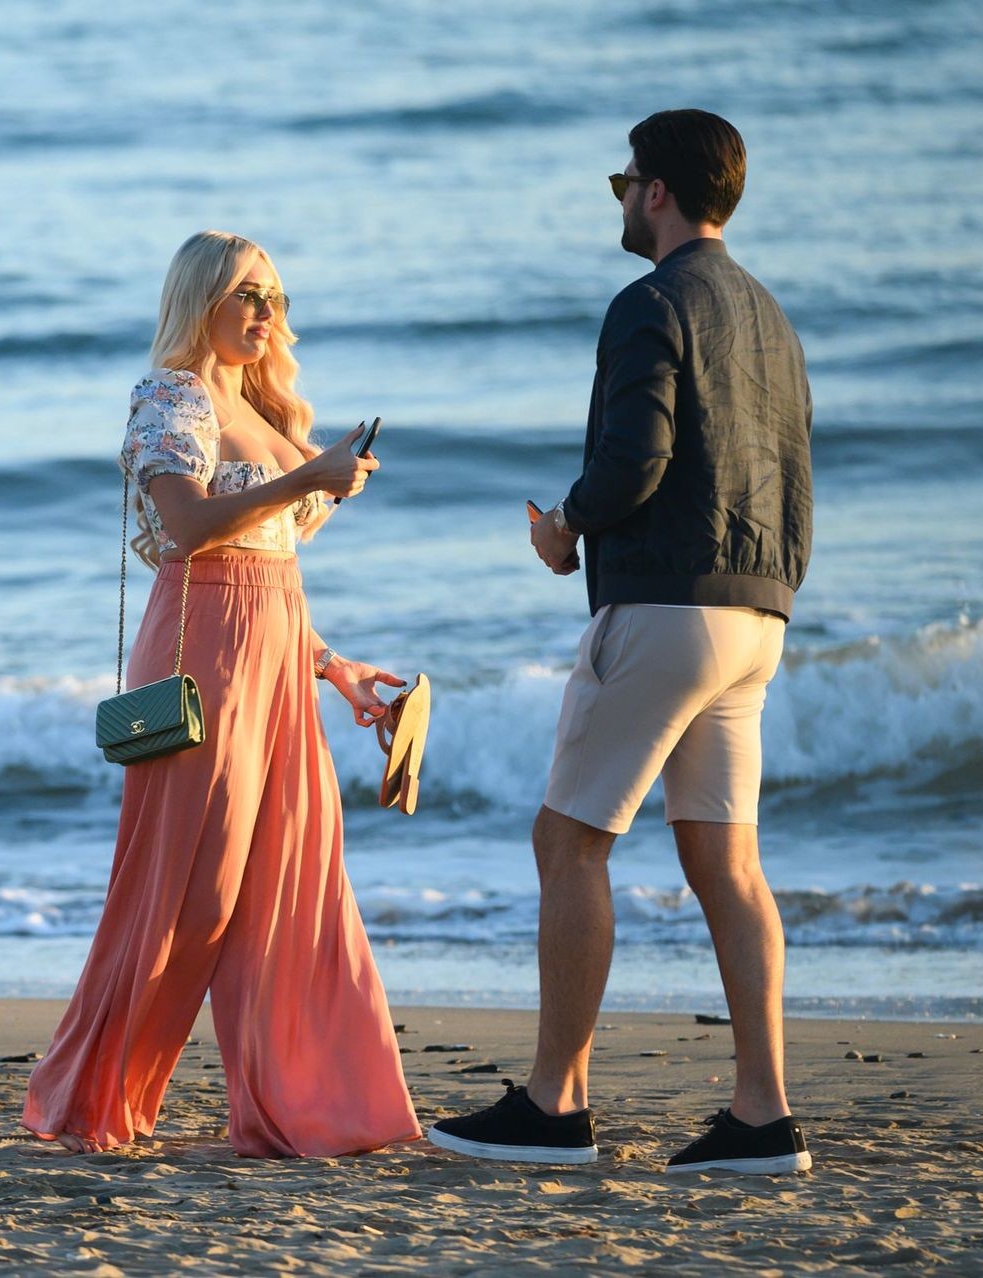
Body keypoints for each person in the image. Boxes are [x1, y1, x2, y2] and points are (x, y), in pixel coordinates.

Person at [426, 110, 815, 1174]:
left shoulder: (650, 303)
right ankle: (762, 1115)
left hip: (662, 608)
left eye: (624, 183)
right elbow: (792, 474)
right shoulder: (773, 317)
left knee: (570, 843)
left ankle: (555, 1106)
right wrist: (774, 590)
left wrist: (566, 526)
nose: (622, 202)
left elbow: (636, 457)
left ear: (658, 191)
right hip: (757, 612)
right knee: (728, 862)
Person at [20, 230, 422, 1158]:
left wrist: (334, 666)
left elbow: (268, 568)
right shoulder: (171, 396)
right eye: (246, 293)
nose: (265, 313)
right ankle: (91, 1097)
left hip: (277, 660)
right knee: (190, 894)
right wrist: (308, 476)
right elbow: (189, 529)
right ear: (200, 299)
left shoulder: (265, 410)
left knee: (293, 883)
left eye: (275, 297)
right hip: (201, 658)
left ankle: (319, 1106)